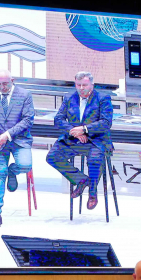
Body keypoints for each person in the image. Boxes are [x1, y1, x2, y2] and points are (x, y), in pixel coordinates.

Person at [46, 71, 112, 211]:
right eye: (78, 85)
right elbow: (58, 120)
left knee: (95, 159)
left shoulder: (103, 98)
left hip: (96, 140)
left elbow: (106, 123)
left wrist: (85, 129)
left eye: (85, 85)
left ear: (92, 85)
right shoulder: (69, 97)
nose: (81, 88)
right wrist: (74, 131)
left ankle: (92, 193)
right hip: (74, 139)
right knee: (52, 157)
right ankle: (81, 180)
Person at [0, 69, 35, 228]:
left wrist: (8, 135)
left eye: (5, 83)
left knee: (25, 165)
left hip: (19, 140)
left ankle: (13, 171)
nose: (2, 87)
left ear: (13, 80)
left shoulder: (25, 95)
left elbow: (27, 120)